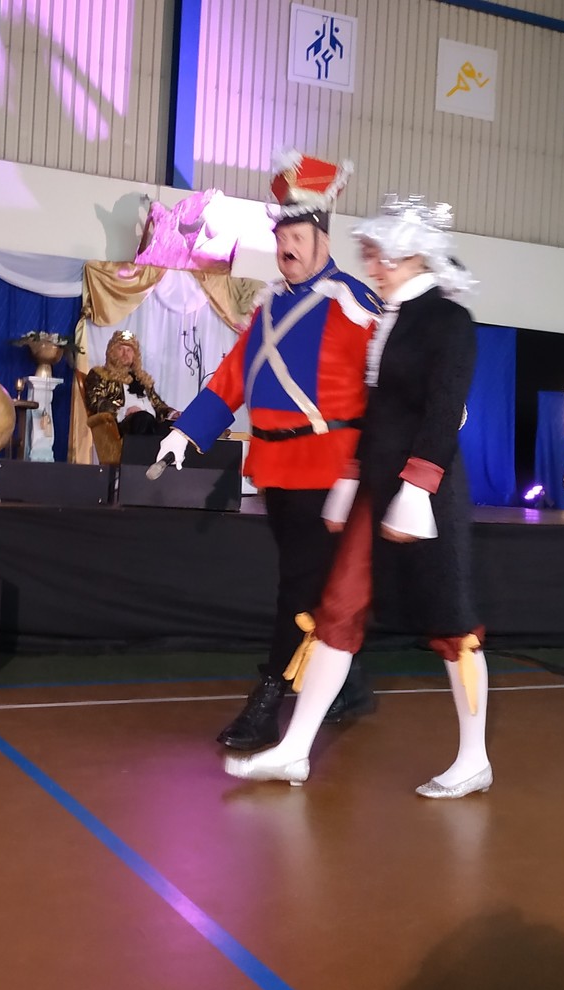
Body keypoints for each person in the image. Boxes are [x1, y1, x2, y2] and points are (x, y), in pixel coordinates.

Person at [224, 195, 491, 799]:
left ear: (414, 254)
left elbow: (443, 412)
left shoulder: (450, 321)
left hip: (428, 494)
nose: (372, 266)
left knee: (452, 622)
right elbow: (377, 413)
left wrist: (418, 488)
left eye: (381, 256)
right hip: (375, 487)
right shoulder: (391, 317)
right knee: (337, 613)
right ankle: (295, 749)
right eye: (369, 255)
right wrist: (351, 477)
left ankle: (474, 758)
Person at [154, 149, 383, 752]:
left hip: (329, 469)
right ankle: (348, 683)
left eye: (298, 236)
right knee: (309, 582)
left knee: (297, 588)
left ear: (323, 238)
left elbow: (390, 386)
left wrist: (369, 468)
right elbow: (234, 375)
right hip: (276, 468)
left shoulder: (356, 303)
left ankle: (268, 703)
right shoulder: (269, 305)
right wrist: (186, 432)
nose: (287, 247)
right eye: (281, 237)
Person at [83, 330, 179, 463]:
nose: (125, 353)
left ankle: (165, 468)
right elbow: (95, 401)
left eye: (129, 350)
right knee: (143, 418)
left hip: (150, 422)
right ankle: (138, 467)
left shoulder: (142, 379)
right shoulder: (100, 374)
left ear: (135, 355)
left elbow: (158, 405)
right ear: (112, 352)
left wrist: (172, 413)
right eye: (121, 349)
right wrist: (123, 411)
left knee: (176, 428)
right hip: (122, 424)